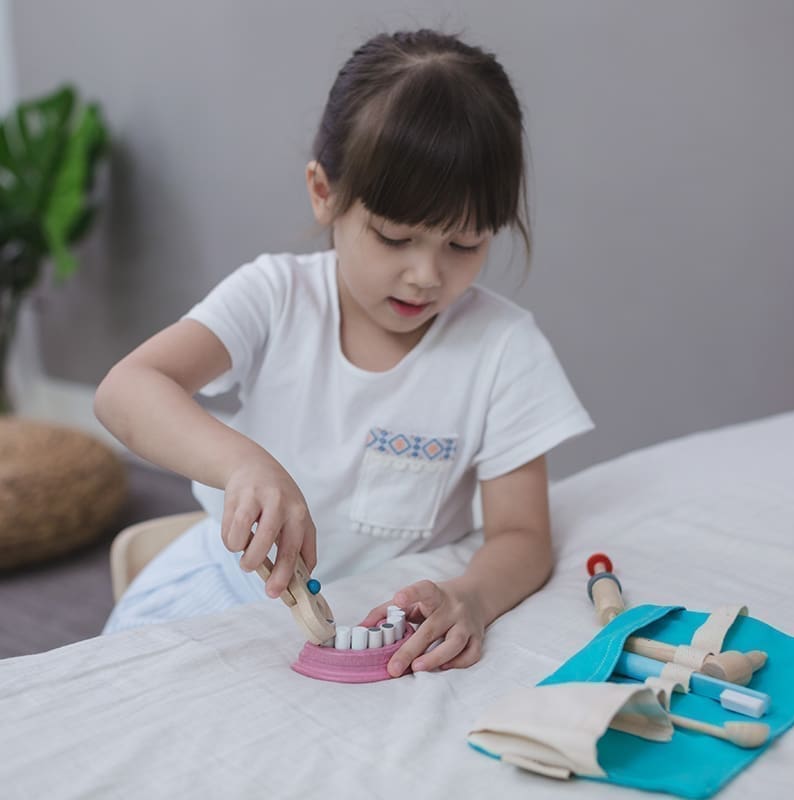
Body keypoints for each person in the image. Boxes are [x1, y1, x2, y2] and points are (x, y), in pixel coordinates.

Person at [95, 29, 593, 677]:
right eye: (395, 237)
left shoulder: (504, 348)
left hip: (374, 621)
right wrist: (245, 464)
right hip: (225, 589)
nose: (426, 275)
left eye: (464, 245)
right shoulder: (276, 295)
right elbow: (126, 390)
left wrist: (472, 597)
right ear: (324, 193)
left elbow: (522, 536)